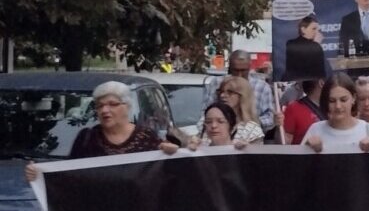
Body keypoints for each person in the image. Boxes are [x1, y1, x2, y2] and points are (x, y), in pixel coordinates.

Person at [25, 81, 176, 180]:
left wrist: (174, 153)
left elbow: (166, 179)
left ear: (127, 106)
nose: (105, 110)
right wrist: (39, 175)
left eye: (112, 104)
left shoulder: (147, 137)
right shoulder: (87, 138)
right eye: (99, 106)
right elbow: (69, 177)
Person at [303, 73, 369, 153]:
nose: (338, 106)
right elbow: (299, 165)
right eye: (332, 101)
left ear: (353, 98)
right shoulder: (315, 130)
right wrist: (306, 149)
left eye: (343, 100)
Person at [204, 50, 277, 133]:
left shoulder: (262, 87)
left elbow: (270, 117)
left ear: (250, 67)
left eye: (243, 70)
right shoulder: (216, 83)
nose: (239, 75)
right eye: (235, 70)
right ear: (230, 68)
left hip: (251, 137)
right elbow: (205, 111)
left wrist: (247, 124)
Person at [212, 76, 265, 144]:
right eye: (221, 91)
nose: (222, 95)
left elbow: (257, 154)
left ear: (242, 96)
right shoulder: (210, 122)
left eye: (230, 92)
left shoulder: (251, 129)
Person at [282, 15, 327, 82]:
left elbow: (320, 70)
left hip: (313, 83)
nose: (317, 32)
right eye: (313, 29)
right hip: (297, 82)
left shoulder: (315, 45)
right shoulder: (292, 43)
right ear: (303, 29)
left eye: (318, 30)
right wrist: (316, 45)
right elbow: (303, 62)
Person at [282, 79, 324, 145]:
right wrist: (279, 126)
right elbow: (284, 143)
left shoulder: (334, 107)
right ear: (321, 83)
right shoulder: (294, 109)